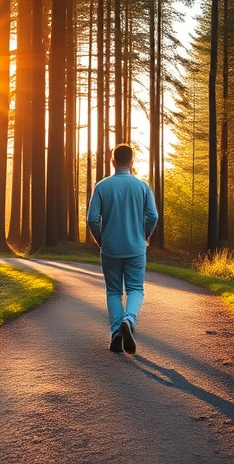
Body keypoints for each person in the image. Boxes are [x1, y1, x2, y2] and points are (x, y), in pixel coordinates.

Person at [86, 143, 158, 354]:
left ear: (113, 162)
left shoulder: (102, 186)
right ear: (132, 162)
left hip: (110, 249)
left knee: (114, 291)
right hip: (136, 247)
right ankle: (129, 320)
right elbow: (153, 216)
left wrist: (101, 240)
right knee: (135, 288)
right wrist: (145, 234)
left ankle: (117, 333)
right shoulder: (143, 187)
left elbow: (92, 219)